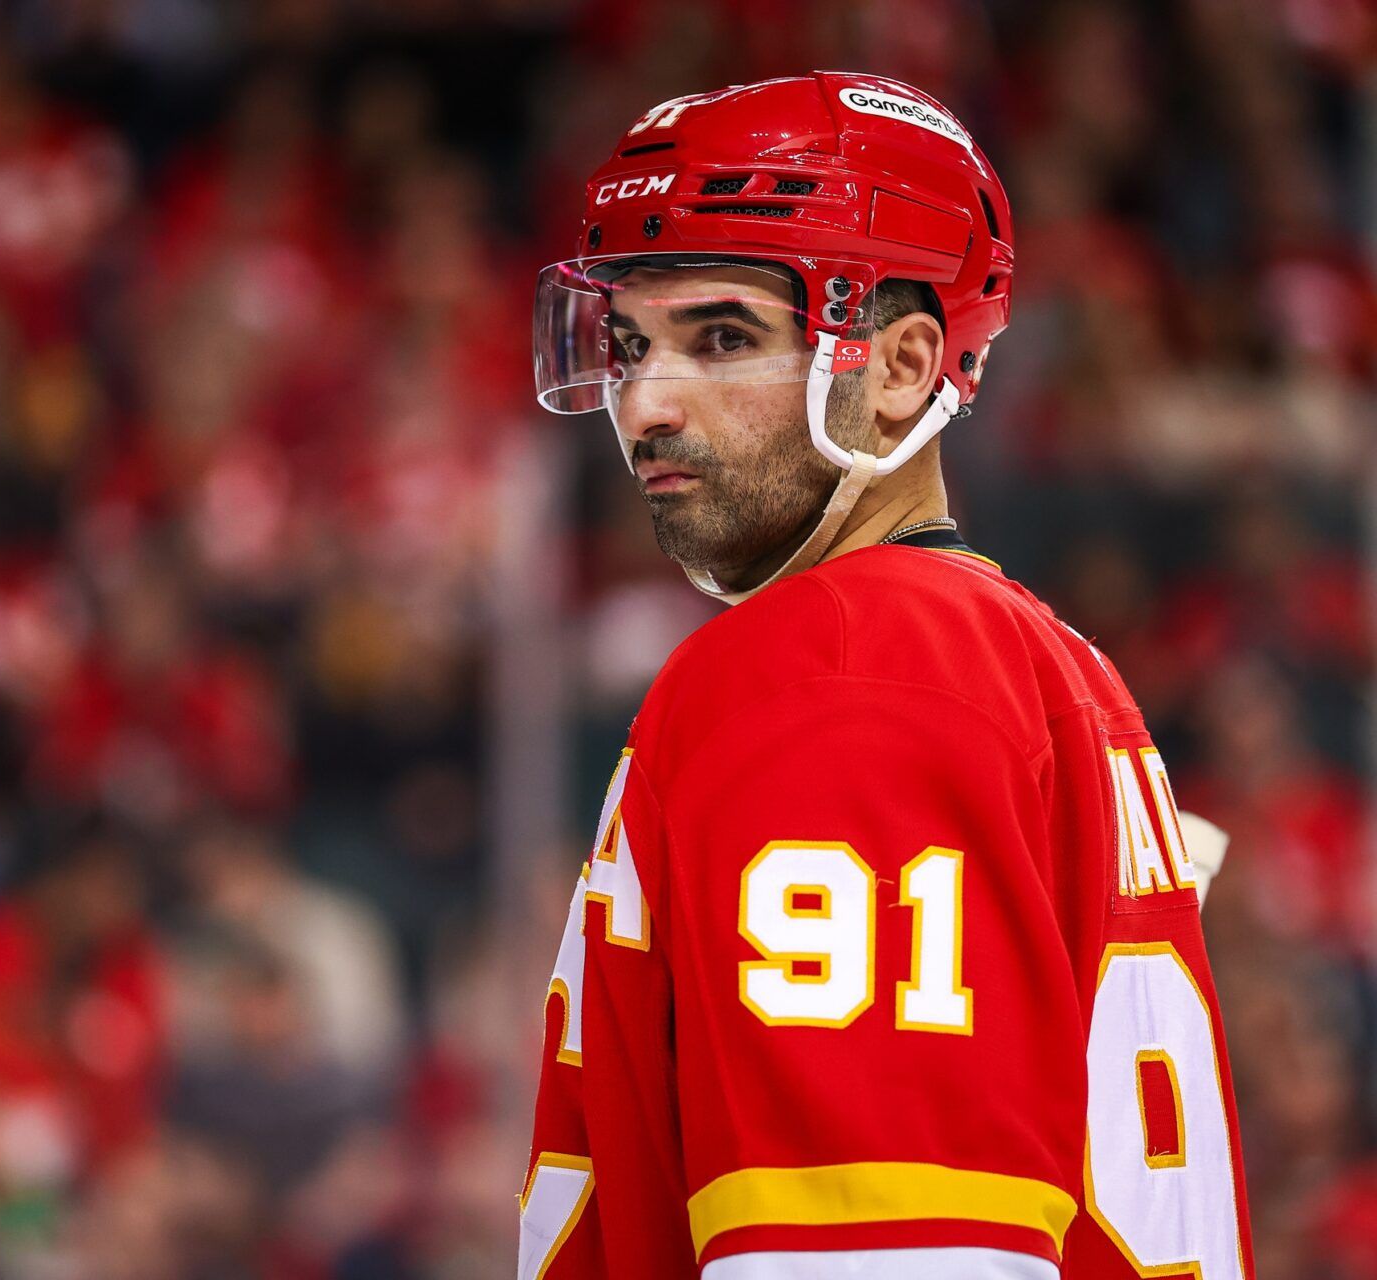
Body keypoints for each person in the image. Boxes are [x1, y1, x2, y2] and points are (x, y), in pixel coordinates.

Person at [520, 74, 1253, 1280]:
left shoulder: (831, 673)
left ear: (906, 367)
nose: (645, 402)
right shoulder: (1045, 665)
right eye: (629, 342)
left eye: (722, 336)